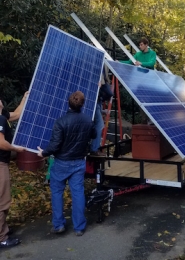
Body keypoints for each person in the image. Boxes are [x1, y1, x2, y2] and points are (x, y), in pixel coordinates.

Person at [37, 91, 96, 236]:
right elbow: (94, 135)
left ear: (68, 103)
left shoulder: (61, 122)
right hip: (78, 162)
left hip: (62, 162)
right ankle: (79, 227)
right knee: (77, 192)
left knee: (57, 192)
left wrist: (43, 153)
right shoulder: (88, 120)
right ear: (82, 104)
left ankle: (58, 225)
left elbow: (55, 145)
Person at [0, 92, 28, 248]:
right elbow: (1, 143)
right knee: (2, 202)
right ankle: (2, 238)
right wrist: (15, 148)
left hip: (2, 163)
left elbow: (17, 114)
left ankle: (3, 230)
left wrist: (24, 98)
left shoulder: (3, 116)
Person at [90, 66, 112, 155]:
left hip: (97, 99)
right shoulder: (93, 64)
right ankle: (94, 149)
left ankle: (93, 147)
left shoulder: (103, 61)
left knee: (97, 124)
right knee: (99, 125)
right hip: (93, 99)